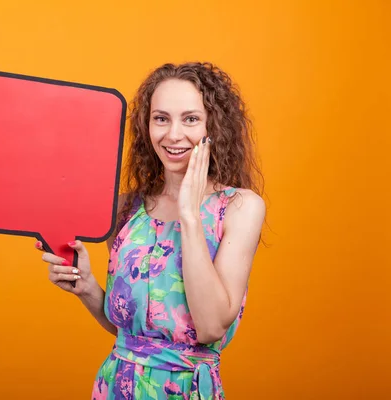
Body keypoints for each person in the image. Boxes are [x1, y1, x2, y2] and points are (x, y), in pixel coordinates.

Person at [35, 62, 266, 399]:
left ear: (214, 126)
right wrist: (86, 288)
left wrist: (189, 214)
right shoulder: (127, 208)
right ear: (147, 127)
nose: (173, 134)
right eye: (161, 118)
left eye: (190, 119)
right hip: (116, 386)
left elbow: (211, 325)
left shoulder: (240, 208)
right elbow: (130, 333)